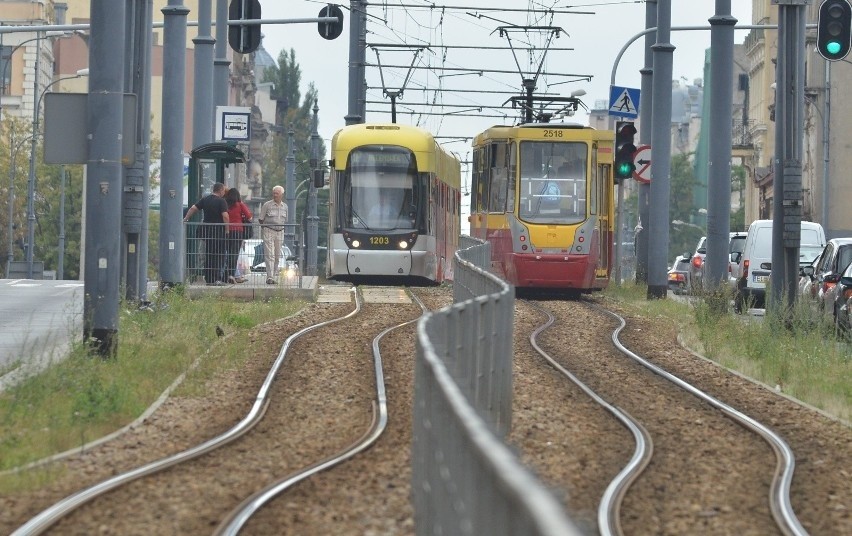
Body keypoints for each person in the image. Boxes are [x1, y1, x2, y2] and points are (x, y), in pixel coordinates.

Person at [183, 182, 229, 285]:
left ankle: (208, 279)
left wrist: (186, 219)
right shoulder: (222, 202)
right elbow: (225, 216)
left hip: (207, 232)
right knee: (218, 256)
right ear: (221, 190)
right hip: (218, 233)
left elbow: (193, 208)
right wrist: (227, 230)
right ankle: (216, 279)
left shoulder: (206, 199)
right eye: (223, 191)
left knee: (208, 255)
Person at [258, 185, 287, 285]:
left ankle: (274, 275)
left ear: (281, 195)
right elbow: (261, 219)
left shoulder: (285, 207)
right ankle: (270, 277)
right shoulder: (267, 205)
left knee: (277, 255)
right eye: (274, 193)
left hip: (280, 231)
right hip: (269, 230)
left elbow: (285, 220)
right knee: (269, 254)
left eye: (277, 193)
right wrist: (265, 228)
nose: (275, 195)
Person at [225, 188, 252, 284]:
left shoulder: (225, 205)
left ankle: (226, 273)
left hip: (226, 231)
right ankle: (231, 274)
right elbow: (249, 216)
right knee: (234, 253)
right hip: (237, 231)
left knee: (226, 253)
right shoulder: (240, 205)